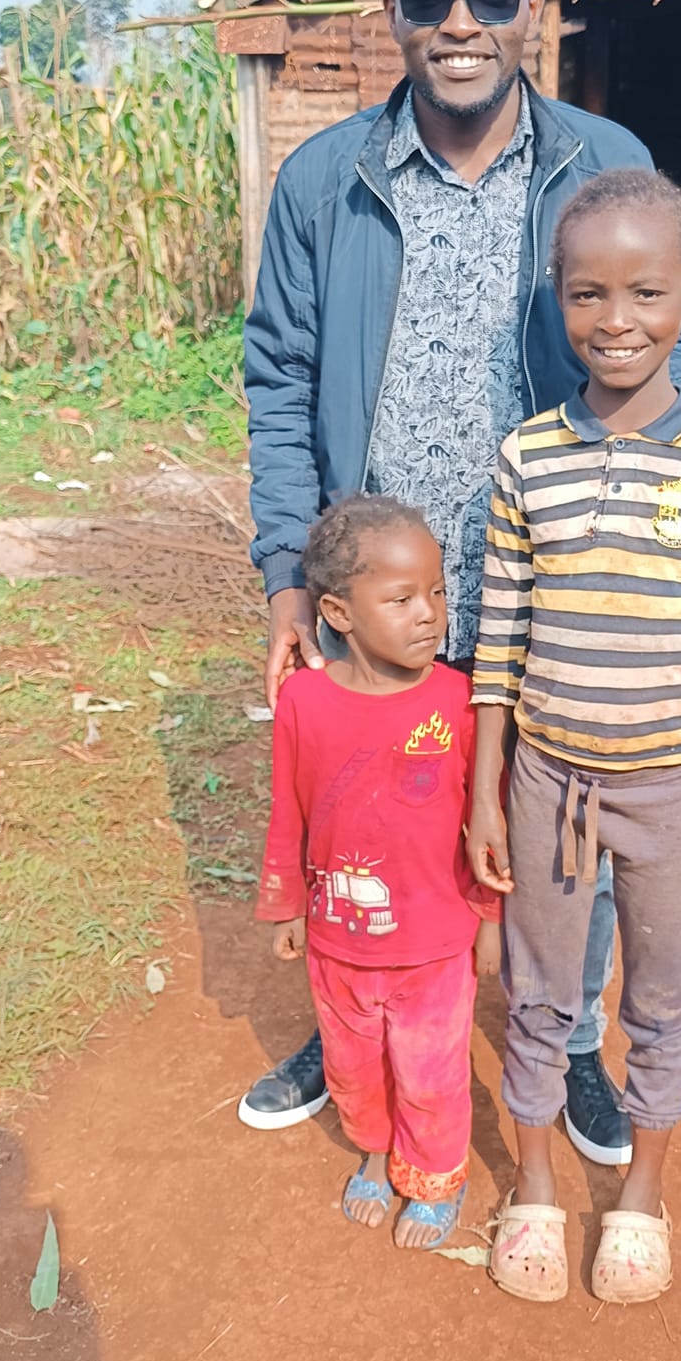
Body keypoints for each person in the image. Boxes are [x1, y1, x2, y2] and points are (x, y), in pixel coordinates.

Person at [239, 0, 681, 1164]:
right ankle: (357, 1008)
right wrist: (287, 577)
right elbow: (278, 383)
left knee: (562, 819)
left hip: (560, 577)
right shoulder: (324, 181)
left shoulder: (600, 158)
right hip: (384, 590)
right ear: (392, 11)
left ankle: (572, 1035)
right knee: (370, 814)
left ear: (536, 6)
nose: (461, 20)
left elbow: (654, 330)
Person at [467, 169, 681, 1305]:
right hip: (548, 777)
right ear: (558, 300)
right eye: (587, 293)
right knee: (544, 990)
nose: (616, 320)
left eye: (646, 291)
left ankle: (641, 1193)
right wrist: (487, 786)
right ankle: (536, 1185)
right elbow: (500, 631)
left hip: (674, 787)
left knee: (663, 995)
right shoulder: (526, 457)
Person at [256, 495, 498, 1250]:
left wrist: (489, 918)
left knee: (429, 1073)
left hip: (434, 945)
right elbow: (288, 810)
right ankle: (374, 1152)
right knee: (355, 1067)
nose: (429, 614)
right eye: (400, 599)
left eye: (436, 592)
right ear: (338, 611)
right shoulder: (303, 701)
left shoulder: (461, 703)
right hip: (338, 943)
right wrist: (287, 904)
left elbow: (487, 826)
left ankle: (434, 1176)